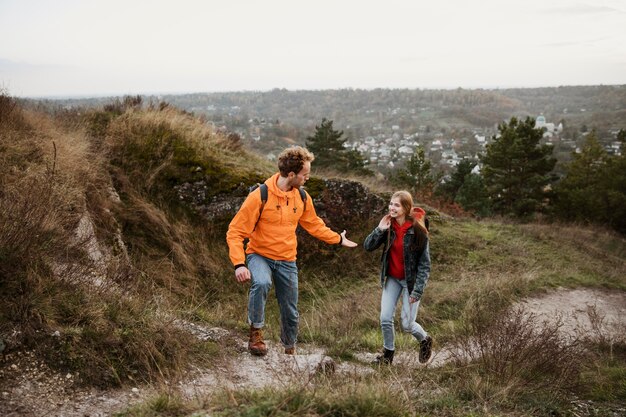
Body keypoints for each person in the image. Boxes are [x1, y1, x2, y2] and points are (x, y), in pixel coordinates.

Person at [226, 146, 358, 356]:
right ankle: (256, 333)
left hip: (287, 259)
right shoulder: (259, 196)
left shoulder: (302, 197)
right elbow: (235, 231)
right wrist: (239, 263)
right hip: (259, 254)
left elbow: (314, 224)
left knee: (290, 308)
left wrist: (337, 239)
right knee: (261, 283)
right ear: (291, 175)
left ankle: (289, 349)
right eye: (305, 174)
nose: (307, 178)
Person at [363, 190, 432, 365]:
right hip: (392, 278)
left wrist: (417, 290)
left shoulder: (418, 230)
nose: (391, 208)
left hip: (411, 281)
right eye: (391, 204)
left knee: (407, 325)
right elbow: (368, 246)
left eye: (396, 205)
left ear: (406, 208)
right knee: (385, 318)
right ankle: (388, 355)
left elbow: (425, 265)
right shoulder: (388, 226)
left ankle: (425, 340)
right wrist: (379, 229)